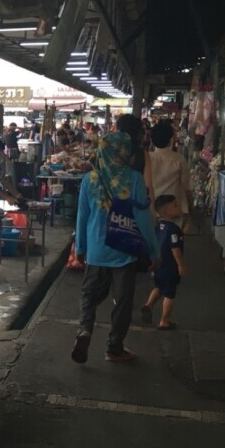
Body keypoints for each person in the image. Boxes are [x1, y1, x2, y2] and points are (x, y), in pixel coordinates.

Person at [72, 131, 159, 364]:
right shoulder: (134, 179)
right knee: (122, 301)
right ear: (124, 153)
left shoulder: (89, 179)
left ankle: (84, 329)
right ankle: (114, 347)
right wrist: (153, 251)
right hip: (124, 249)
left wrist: (79, 247)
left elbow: (81, 217)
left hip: (96, 250)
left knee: (89, 295)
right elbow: (143, 219)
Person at [140, 194, 186, 330]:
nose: (179, 208)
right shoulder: (174, 229)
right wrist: (181, 265)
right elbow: (175, 249)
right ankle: (164, 321)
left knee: (159, 287)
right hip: (169, 266)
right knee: (170, 293)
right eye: (175, 206)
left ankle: (148, 305)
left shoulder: (158, 226)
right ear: (166, 212)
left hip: (158, 265)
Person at [148, 120, 192, 224]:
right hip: (173, 211)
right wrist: (191, 208)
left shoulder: (148, 158)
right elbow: (187, 187)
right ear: (171, 139)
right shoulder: (179, 159)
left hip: (152, 209)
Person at [115, 113, 155, 209]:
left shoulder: (109, 152)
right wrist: (152, 210)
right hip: (135, 202)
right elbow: (148, 184)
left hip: (113, 202)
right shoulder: (142, 154)